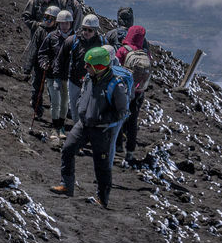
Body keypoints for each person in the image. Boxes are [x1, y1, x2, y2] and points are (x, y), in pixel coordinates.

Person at [50, 46, 130, 209]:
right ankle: (66, 185)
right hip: (84, 124)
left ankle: (102, 199)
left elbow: (123, 112)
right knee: (67, 149)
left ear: (99, 67)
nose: (85, 67)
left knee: (101, 165)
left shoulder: (116, 85)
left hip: (102, 130)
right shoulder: (89, 77)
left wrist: (102, 119)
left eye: (88, 65)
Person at [115, 25, 153, 163]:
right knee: (132, 121)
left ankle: (118, 145)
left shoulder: (123, 50)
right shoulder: (145, 53)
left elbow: (115, 67)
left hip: (124, 90)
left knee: (118, 116)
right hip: (139, 92)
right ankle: (130, 151)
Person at [60, 14, 104, 120]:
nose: (86, 32)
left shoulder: (102, 43)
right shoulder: (72, 41)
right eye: (84, 29)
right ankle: (77, 129)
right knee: (74, 109)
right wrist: (59, 76)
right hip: (74, 81)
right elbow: (61, 58)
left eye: (90, 30)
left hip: (93, 82)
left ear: (96, 30)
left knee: (89, 109)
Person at [41, 9, 75, 138]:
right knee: (55, 102)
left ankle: (61, 127)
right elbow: (42, 53)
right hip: (52, 75)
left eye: (67, 23)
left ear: (70, 23)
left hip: (68, 76)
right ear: (58, 24)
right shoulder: (51, 37)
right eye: (62, 23)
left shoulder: (75, 38)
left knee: (65, 103)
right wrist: (44, 62)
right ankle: (55, 127)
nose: (64, 26)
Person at [25, 5, 60, 120]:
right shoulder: (40, 30)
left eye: (50, 19)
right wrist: (28, 66)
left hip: (53, 67)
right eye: (45, 18)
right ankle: (37, 111)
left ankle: (56, 113)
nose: (47, 21)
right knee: (37, 89)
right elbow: (33, 48)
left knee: (53, 91)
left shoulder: (59, 34)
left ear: (56, 21)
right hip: (39, 65)